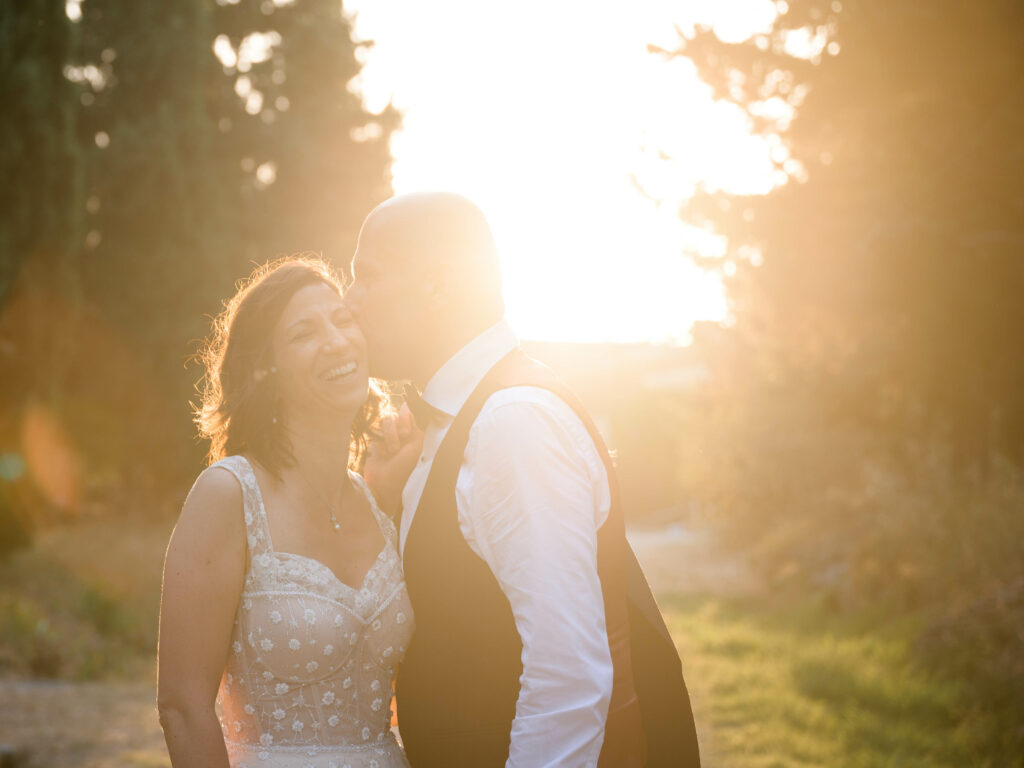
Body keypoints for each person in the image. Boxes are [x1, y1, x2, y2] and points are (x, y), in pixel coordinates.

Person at [345, 192, 701, 767]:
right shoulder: (452, 425)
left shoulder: (514, 422)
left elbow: (568, 679)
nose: (350, 301)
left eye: (367, 277)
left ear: (435, 286)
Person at [157, 257, 420, 768]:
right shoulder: (229, 494)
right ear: (264, 368)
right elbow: (182, 709)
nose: (337, 341)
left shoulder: (377, 498)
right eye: (304, 333)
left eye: (342, 320)